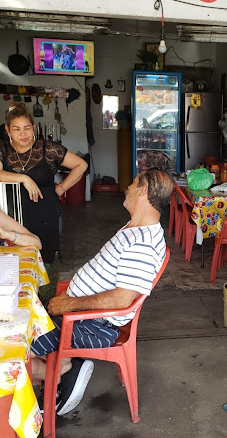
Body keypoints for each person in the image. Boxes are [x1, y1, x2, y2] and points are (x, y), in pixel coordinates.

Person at [30, 168, 174, 416]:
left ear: (142, 191)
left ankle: (58, 371)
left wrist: (70, 305)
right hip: (85, 316)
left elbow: (122, 298)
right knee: (20, 316)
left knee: (11, 345)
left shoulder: (143, 243)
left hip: (92, 325)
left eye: (132, 183)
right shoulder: (136, 228)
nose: (127, 188)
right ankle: (62, 365)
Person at [0, 102, 88, 264]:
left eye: (27, 128)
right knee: (17, 260)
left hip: (45, 212)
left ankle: (48, 286)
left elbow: (81, 165)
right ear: (8, 130)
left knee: (46, 257)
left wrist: (61, 188)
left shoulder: (47, 149)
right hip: (14, 216)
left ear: (34, 127)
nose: (23, 134)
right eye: (16, 129)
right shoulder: (3, 149)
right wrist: (24, 178)